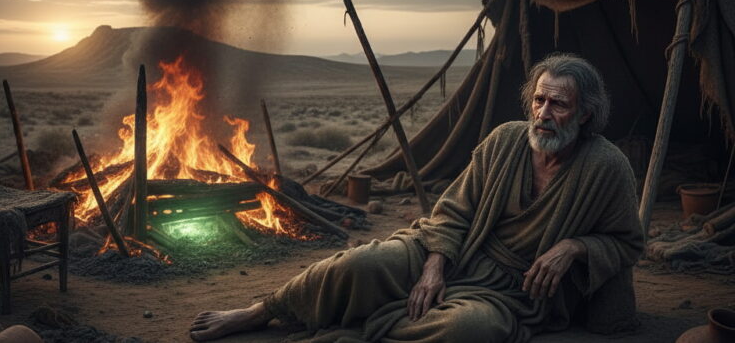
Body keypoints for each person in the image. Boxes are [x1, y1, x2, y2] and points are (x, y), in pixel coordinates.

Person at [189, 54, 644, 343]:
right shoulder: (506, 140)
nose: (544, 115)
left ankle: (365, 328)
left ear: (585, 114)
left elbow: (627, 243)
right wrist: (433, 264)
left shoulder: (606, 168)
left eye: (558, 105)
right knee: (359, 265)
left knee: (470, 330)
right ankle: (262, 310)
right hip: (451, 250)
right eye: (539, 101)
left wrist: (575, 247)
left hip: (512, 291)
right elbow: (453, 210)